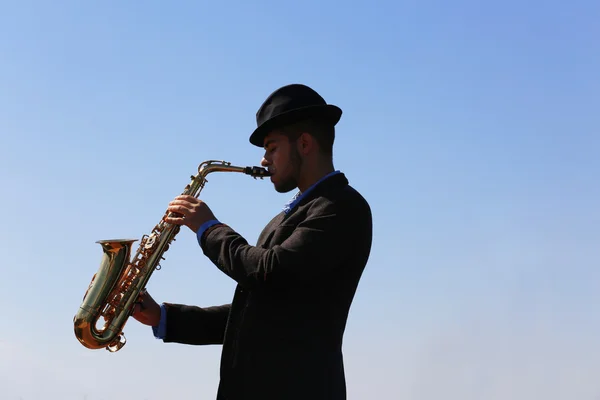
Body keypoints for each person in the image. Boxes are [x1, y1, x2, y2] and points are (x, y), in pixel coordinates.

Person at [132, 83, 373, 400]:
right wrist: (163, 318)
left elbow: (269, 273)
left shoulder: (341, 208)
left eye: (272, 148)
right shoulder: (290, 216)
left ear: (303, 144)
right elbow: (253, 312)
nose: (263, 160)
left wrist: (208, 228)